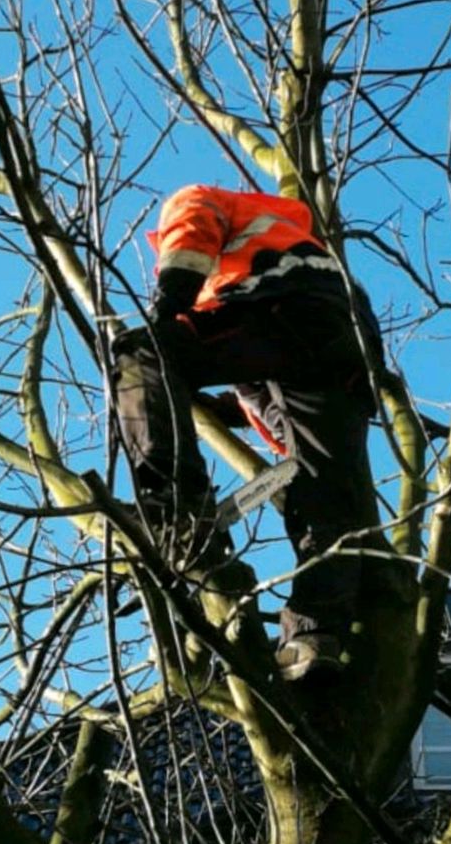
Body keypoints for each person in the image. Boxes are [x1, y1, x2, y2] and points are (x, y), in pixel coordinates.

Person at [112, 184, 384, 680]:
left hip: (280, 308)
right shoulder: (301, 245)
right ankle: (313, 638)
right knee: (325, 499)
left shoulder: (197, 198)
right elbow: (275, 367)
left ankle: (173, 508)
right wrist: (229, 409)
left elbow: (189, 239)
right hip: (345, 353)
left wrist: (167, 310)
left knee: (140, 355)